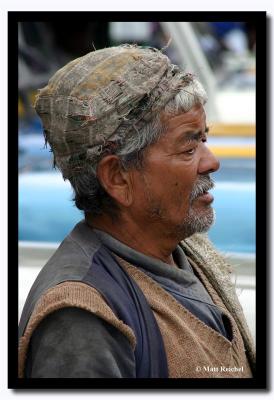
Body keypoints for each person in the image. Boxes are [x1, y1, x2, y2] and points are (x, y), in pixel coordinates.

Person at [18, 44, 255, 379]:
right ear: (117, 177)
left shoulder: (187, 252)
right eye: (189, 146)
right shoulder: (82, 319)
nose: (211, 162)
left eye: (204, 139)